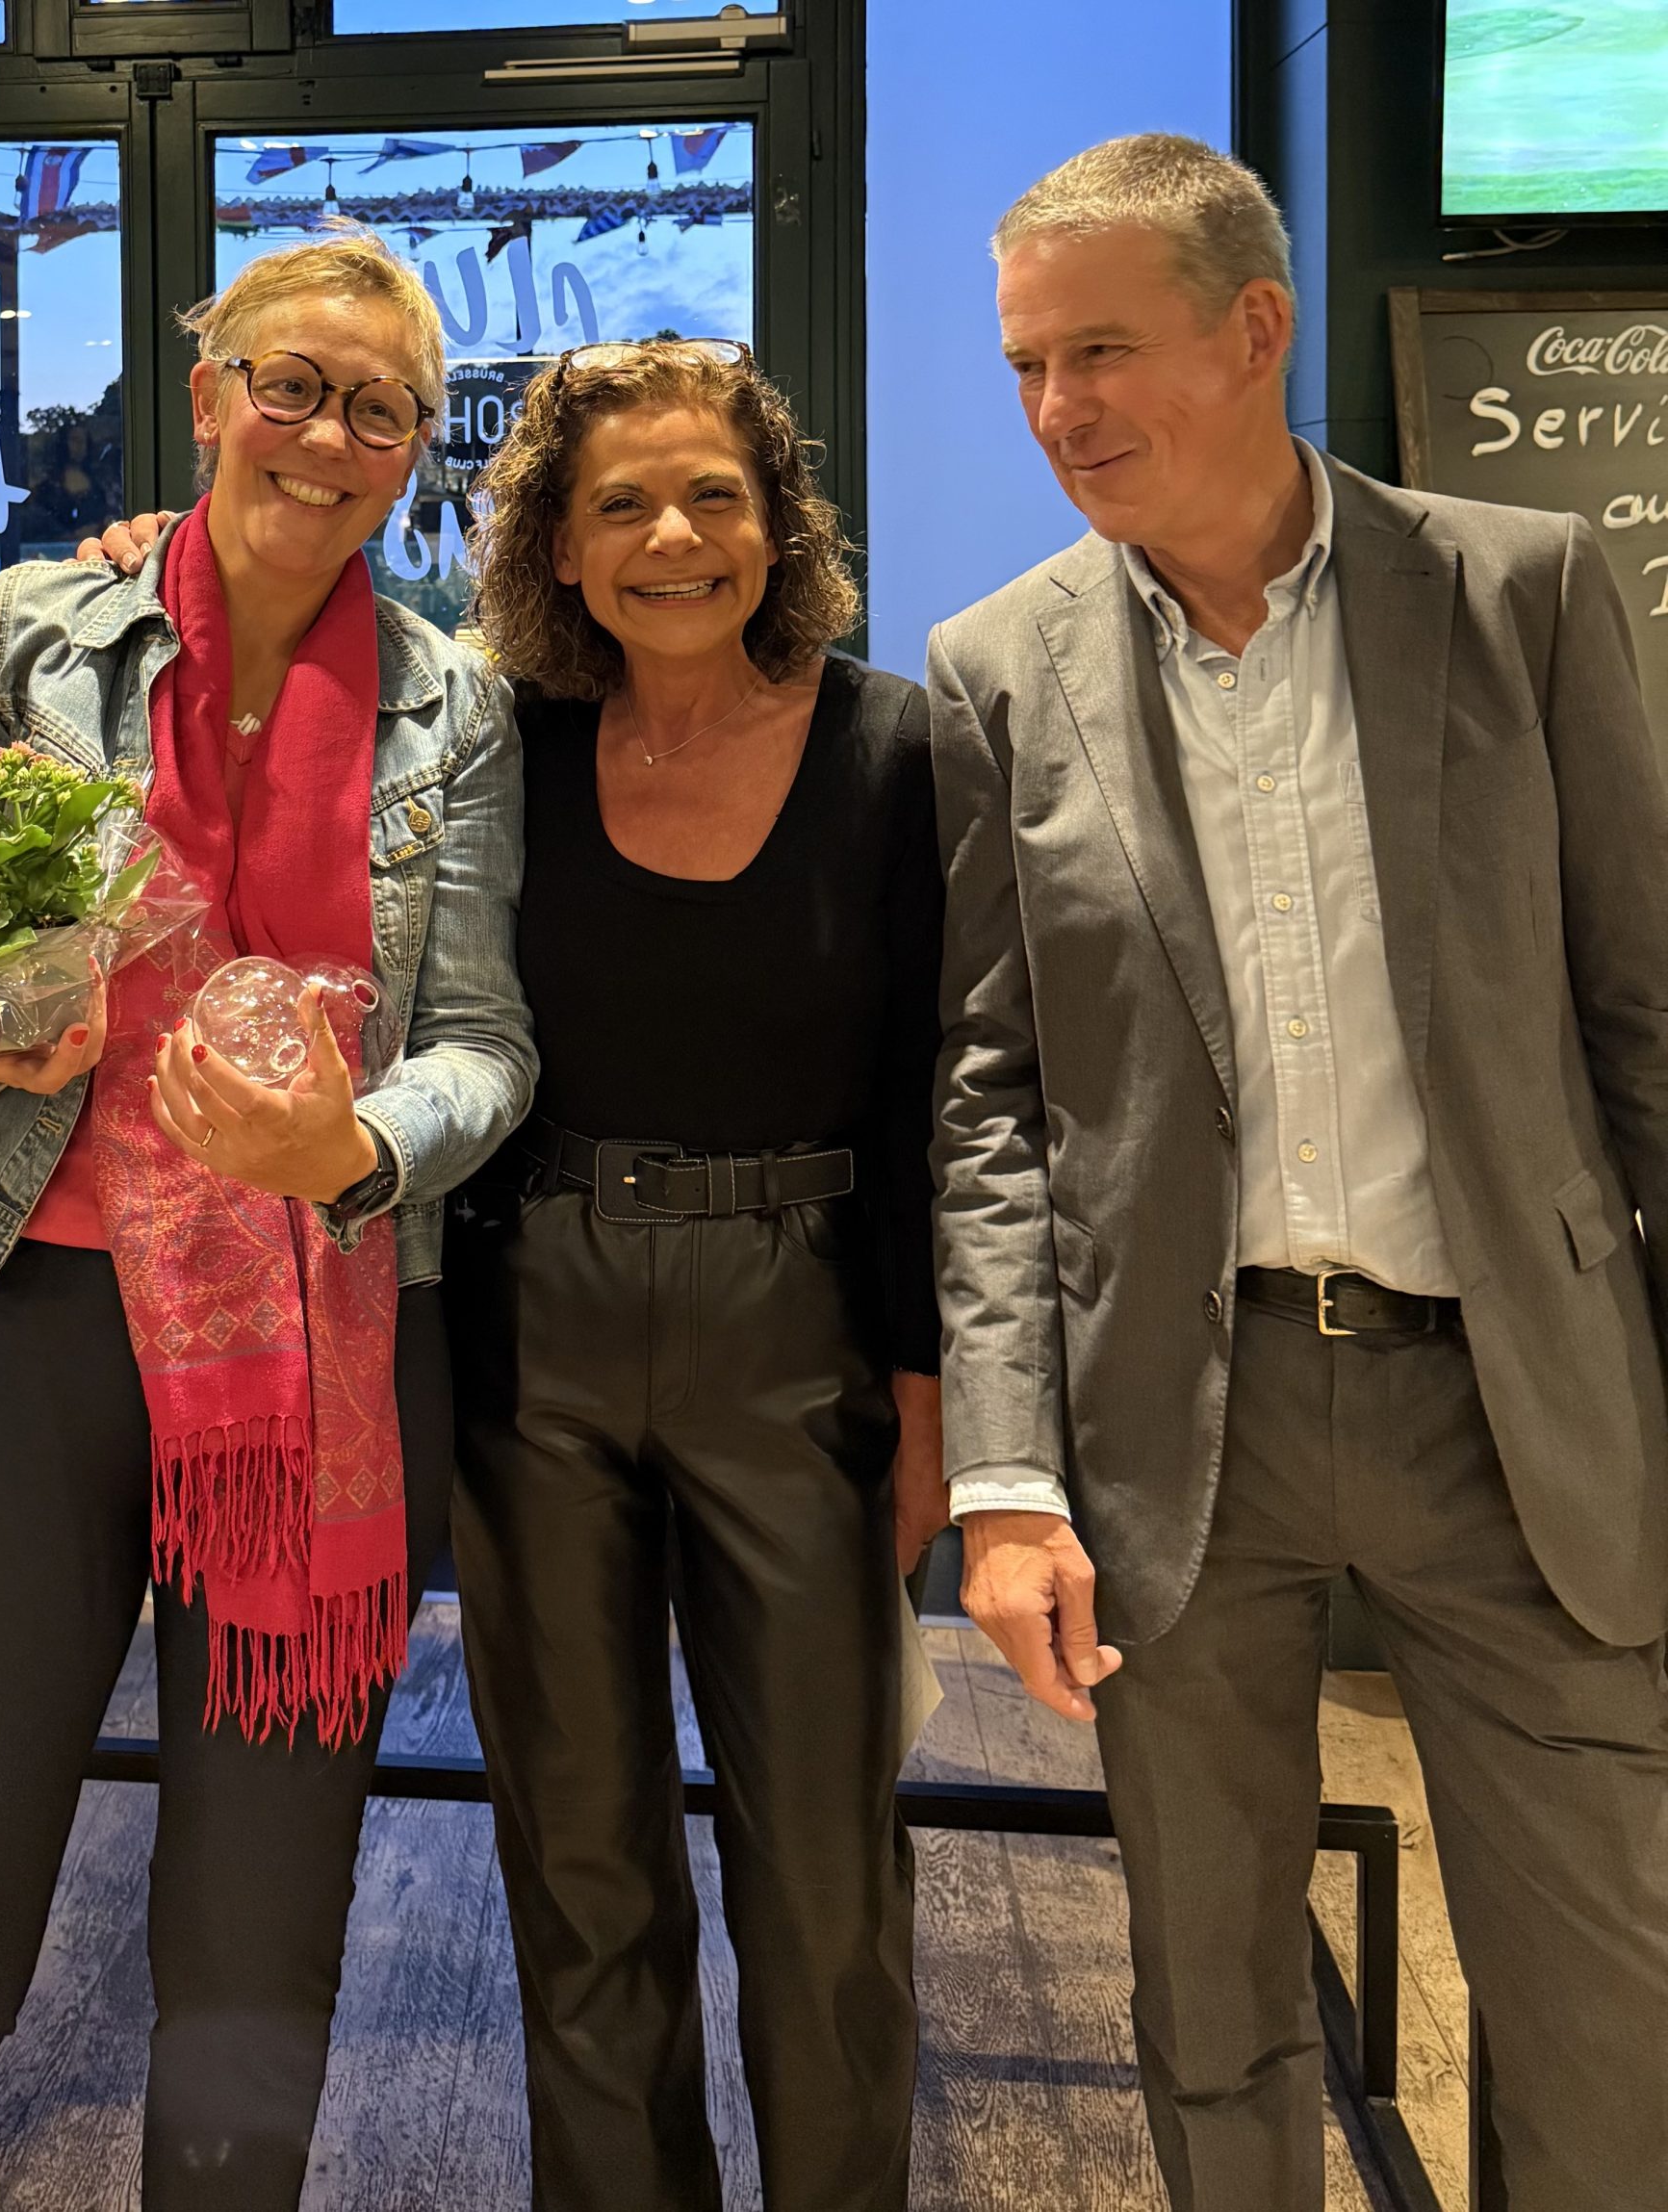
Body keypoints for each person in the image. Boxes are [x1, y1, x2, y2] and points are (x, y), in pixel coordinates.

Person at [930, 133, 1668, 2212]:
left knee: (1602, 2014)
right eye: (1024, 365)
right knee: (1208, 2002)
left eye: (1099, 351)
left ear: (1253, 329)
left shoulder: (1518, 589)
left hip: (1515, 1411)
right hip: (1187, 1426)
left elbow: (1641, 1019)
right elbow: (991, 1103)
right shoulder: (999, 667)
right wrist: (1006, 1475)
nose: (1057, 408)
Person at [0, 227, 534, 2210]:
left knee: (255, 1939)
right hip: (15, 1327)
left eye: (381, 410)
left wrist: (352, 1147)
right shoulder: (30, 635)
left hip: (324, 1353)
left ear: (414, 453)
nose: (327, 436)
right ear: (210, 399)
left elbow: (485, 1044)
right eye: (292, 385)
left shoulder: (455, 709)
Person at [451, 342, 942, 2211]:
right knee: (579, 1870)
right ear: (559, 551)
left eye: (713, 495)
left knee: (823, 1882)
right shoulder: (503, 748)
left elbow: (937, 1097)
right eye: (622, 505)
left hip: (801, 1330)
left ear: (778, 525)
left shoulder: (895, 750)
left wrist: (931, 1403)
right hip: (539, 1330)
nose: (673, 536)